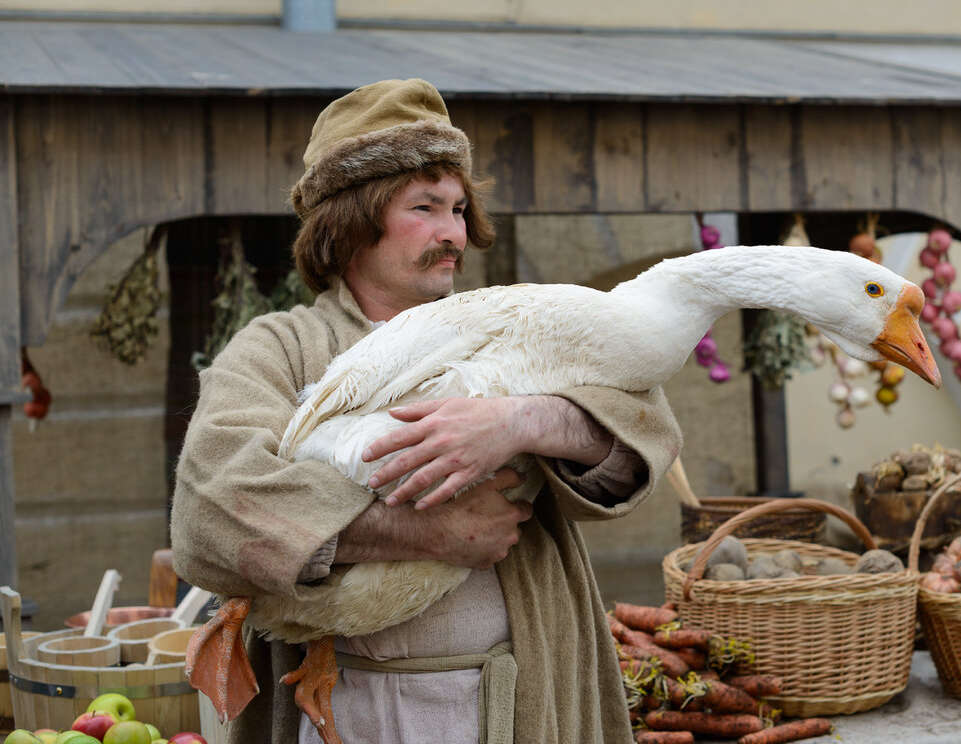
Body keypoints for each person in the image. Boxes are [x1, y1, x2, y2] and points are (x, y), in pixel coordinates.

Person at [169, 78, 683, 744]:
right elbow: (210, 509)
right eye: (425, 207)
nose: (453, 233)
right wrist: (425, 532)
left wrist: (520, 422)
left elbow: (646, 433)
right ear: (352, 219)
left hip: (523, 702)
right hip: (349, 713)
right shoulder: (282, 347)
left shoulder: (513, 324)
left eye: (459, 208)